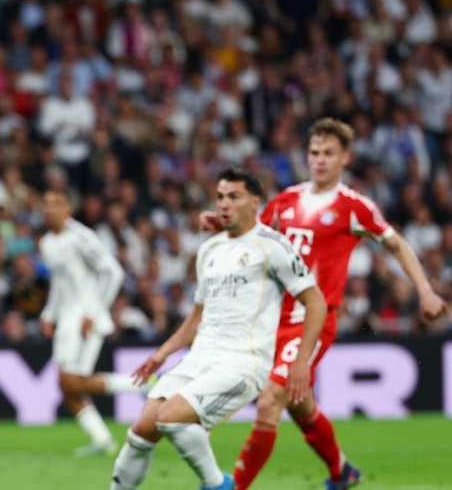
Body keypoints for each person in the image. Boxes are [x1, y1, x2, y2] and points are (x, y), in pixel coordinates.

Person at [201, 118, 447, 490]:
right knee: (300, 407)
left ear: (345, 158)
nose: (319, 160)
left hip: (310, 322)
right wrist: (224, 226)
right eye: (314, 152)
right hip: (270, 320)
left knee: (270, 401)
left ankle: (232, 487)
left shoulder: (354, 207)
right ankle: (342, 472)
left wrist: (425, 291)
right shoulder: (287, 200)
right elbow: (256, 237)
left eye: (328, 153)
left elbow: (396, 244)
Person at [110, 167, 328, 490]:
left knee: (171, 416)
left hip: (243, 363)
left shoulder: (272, 246)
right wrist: (163, 353)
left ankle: (218, 485)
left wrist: (301, 362)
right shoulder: (209, 250)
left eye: (234, 197)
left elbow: (316, 303)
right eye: (221, 197)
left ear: (255, 202)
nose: (225, 204)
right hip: (200, 359)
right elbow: (197, 316)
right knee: (142, 429)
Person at [37, 188, 145, 456]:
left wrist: (93, 312)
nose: (49, 209)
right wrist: (49, 314)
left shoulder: (82, 237)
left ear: (68, 209)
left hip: (86, 319)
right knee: (68, 385)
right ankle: (102, 440)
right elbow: (60, 285)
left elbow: (113, 272)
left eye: (56, 203)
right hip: (66, 319)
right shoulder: (47, 242)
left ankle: (142, 384)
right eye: (46, 204)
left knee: (71, 382)